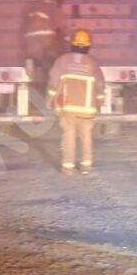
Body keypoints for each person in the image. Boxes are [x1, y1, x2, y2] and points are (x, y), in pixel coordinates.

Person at [47, 29, 105, 176]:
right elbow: (100, 85)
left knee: (68, 137)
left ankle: (68, 168)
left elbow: (53, 82)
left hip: (67, 109)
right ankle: (86, 166)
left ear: (72, 44)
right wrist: (99, 103)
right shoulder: (92, 63)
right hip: (87, 110)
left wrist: (50, 99)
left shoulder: (62, 61)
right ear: (88, 45)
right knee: (86, 137)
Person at [22, 0, 70, 88]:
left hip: (31, 49)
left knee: (38, 80)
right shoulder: (54, 9)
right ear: (58, 1)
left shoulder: (34, 8)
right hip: (47, 48)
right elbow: (62, 30)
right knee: (53, 73)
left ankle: (37, 84)